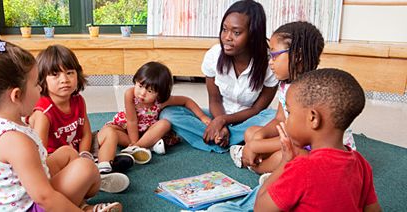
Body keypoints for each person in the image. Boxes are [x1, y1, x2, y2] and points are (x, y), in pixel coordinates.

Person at [0, 39, 121, 211]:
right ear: (16, 96)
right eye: (37, 84)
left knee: (67, 152)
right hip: (29, 206)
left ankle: (79, 203)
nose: (40, 90)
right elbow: (45, 198)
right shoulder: (16, 141)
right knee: (86, 167)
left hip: (26, 195)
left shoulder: (0, 122)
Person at [207, 69, 381, 211]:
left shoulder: (302, 167)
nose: (285, 120)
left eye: (289, 113)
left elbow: (261, 208)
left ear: (313, 118)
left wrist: (285, 162)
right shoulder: (361, 164)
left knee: (220, 209)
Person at [229, 21, 356, 174]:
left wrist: (255, 146)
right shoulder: (285, 84)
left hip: (320, 151)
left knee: (283, 156)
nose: (270, 62)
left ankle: (254, 165)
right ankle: (266, 163)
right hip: (296, 138)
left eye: (274, 55)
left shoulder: (312, 90)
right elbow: (280, 119)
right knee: (251, 132)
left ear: (297, 56)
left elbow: (298, 139)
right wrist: (259, 136)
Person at [160, 0, 278, 153]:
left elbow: (257, 109)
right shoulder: (214, 55)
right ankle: (234, 140)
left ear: (253, 35)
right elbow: (214, 100)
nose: (227, 37)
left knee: (273, 117)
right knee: (169, 113)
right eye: (224, 29)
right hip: (217, 114)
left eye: (236, 32)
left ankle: (216, 137)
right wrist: (218, 121)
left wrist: (222, 122)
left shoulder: (271, 64)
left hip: (248, 120)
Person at [28, 45, 131, 193]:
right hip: (60, 159)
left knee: (109, 132)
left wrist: (84, 155)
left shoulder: (78, 100)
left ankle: (103, 169)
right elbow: (40, 153)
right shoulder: (43, 112)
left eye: (69, 73)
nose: (64, 79)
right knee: (64, 159)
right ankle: (94, 175)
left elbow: (85, 134)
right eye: (55, 75)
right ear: (42, 79)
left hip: (79, 150)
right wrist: (78, 162)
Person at [100, 61, 211, 164]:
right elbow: (132, 121)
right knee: (110, 131)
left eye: (150, 91)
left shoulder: (160, 101)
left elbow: (186, 101)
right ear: (135, 81)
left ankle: (135, 149)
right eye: (140, 86)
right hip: (127, 130)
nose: (142, 93)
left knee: (165, 124)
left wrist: (202, 116)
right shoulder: (129, 94)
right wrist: (134, 142)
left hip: (148, 133)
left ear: (160, 94)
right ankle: (145, 147)